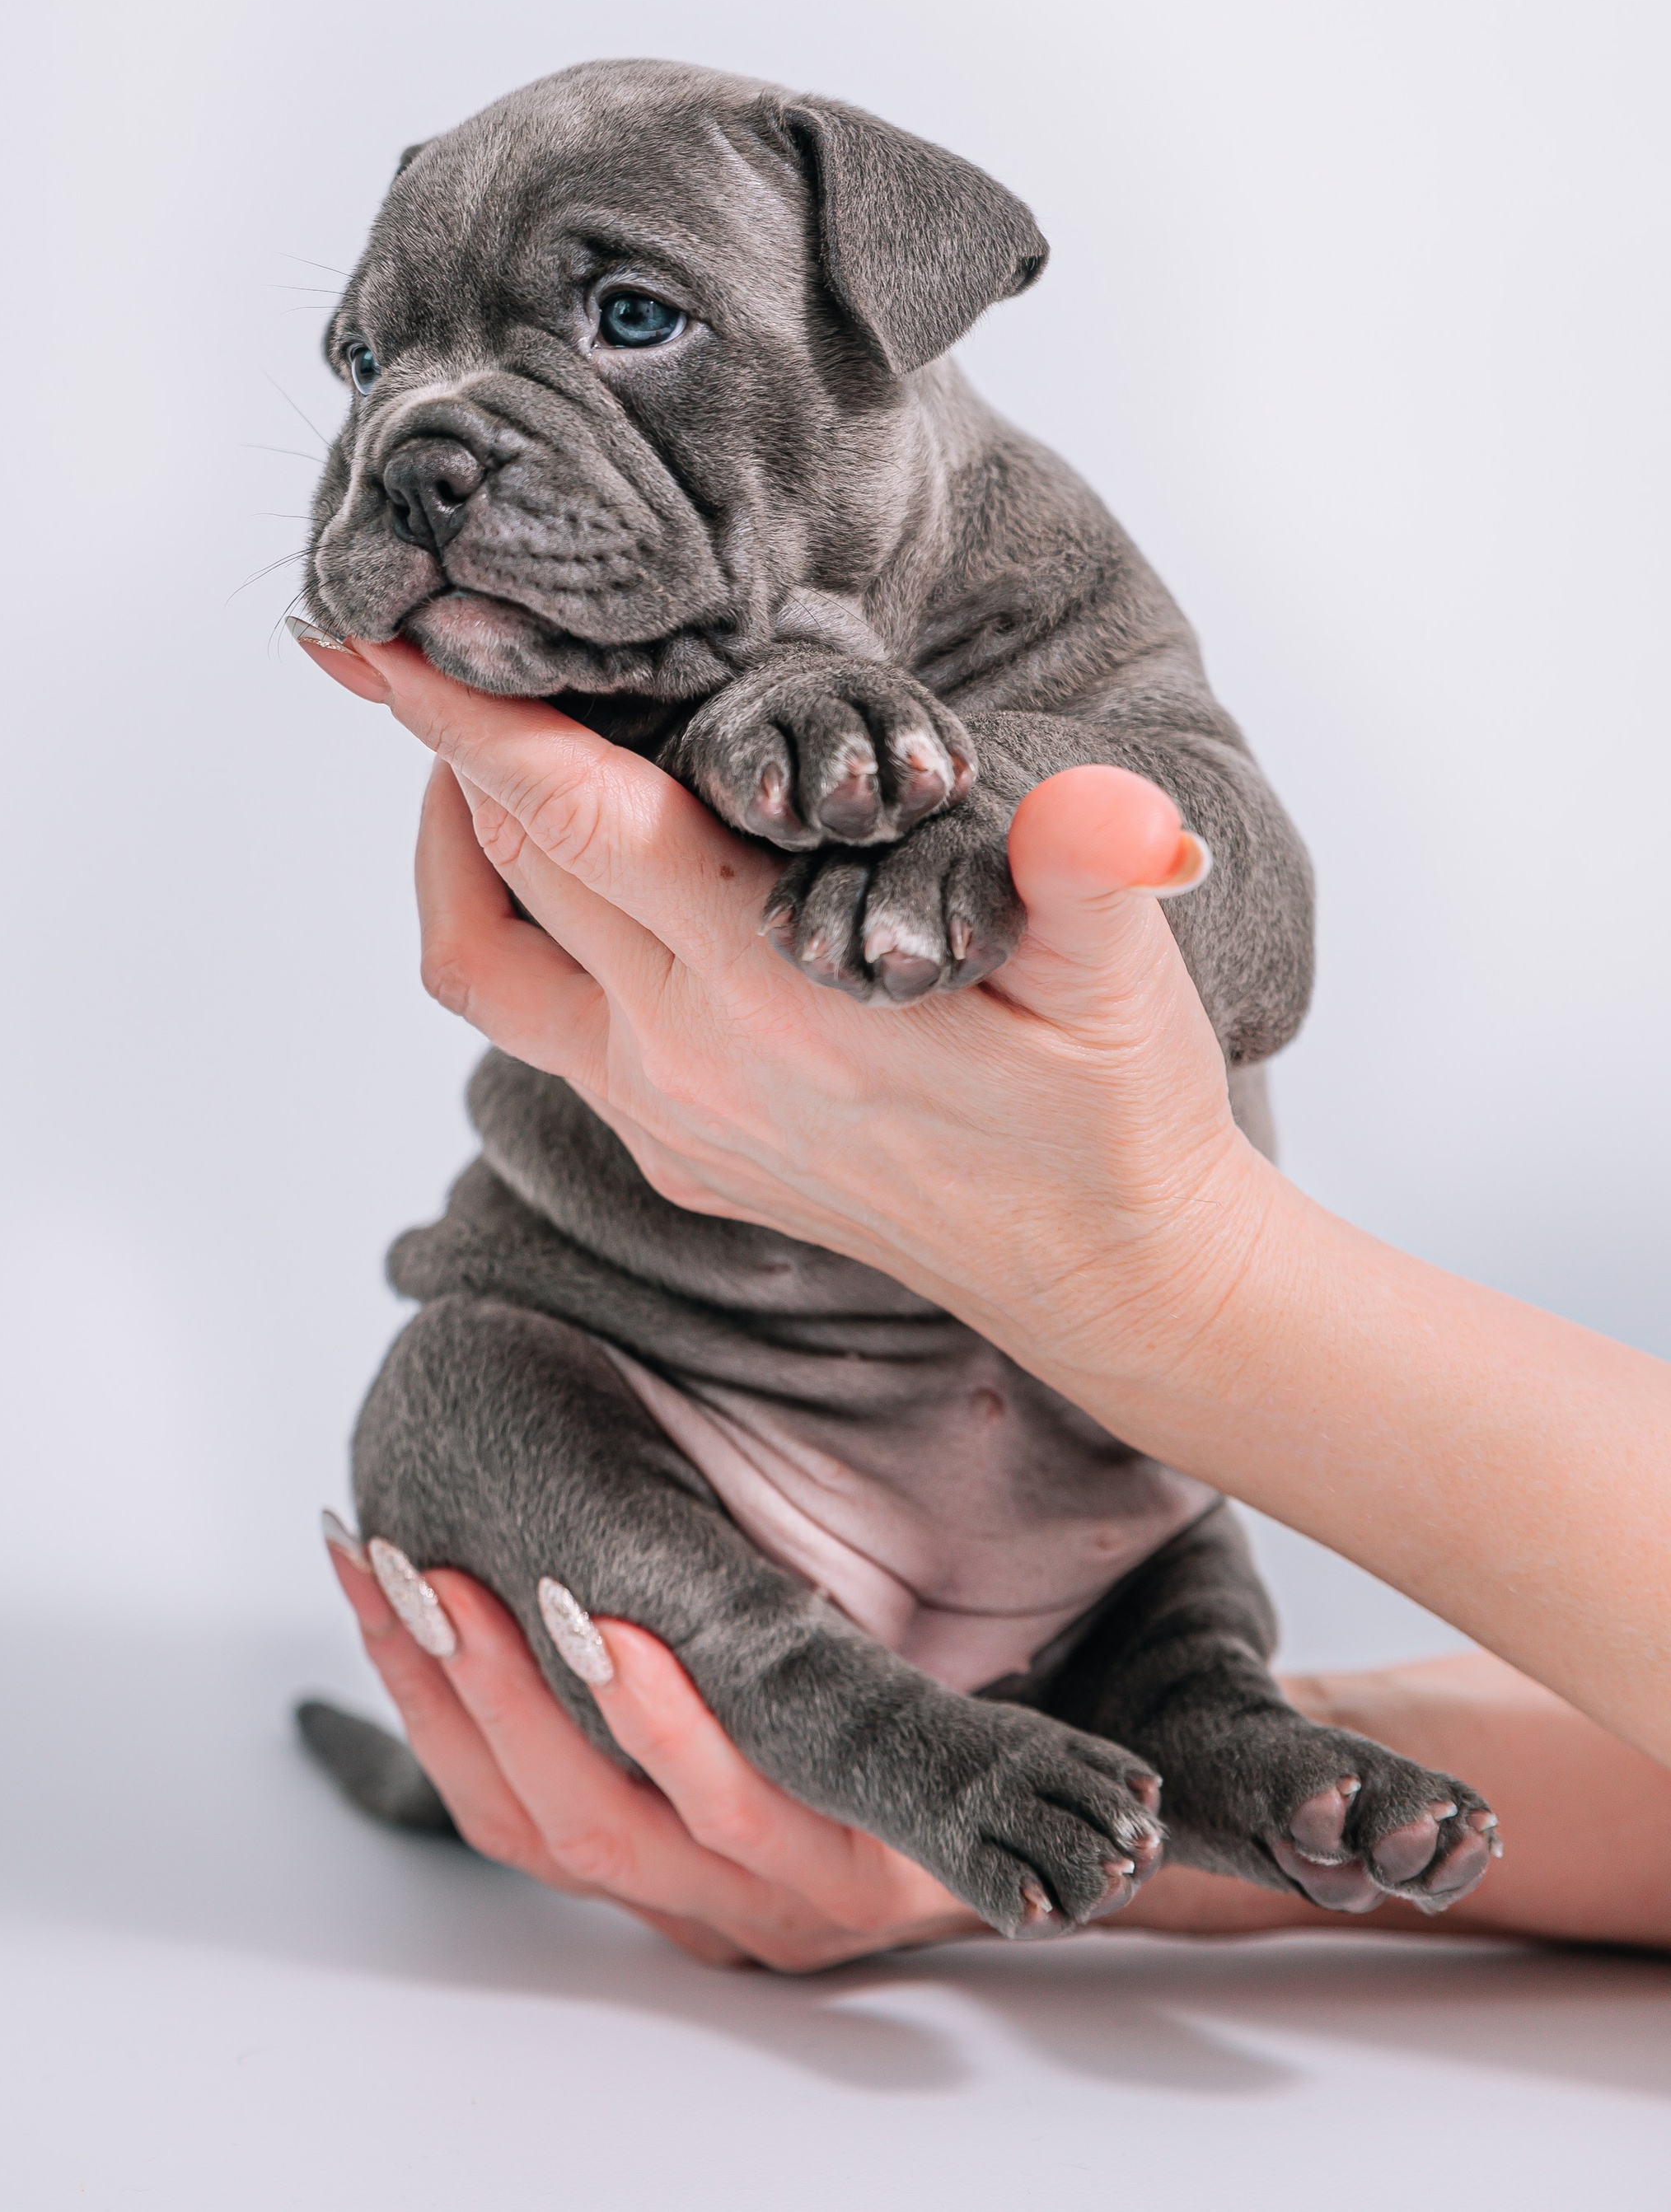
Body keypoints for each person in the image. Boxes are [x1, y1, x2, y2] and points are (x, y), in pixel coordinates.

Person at [301, 630, 1671, 1966]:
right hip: (671, 1403)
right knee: (462, 1384)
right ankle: (1035, 1722)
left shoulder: (1047, 595)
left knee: (1165, 1596)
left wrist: (1164, 1283)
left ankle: (1158, 1713)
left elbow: (1263, 957)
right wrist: (985, 1804)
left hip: (1075, 1497)